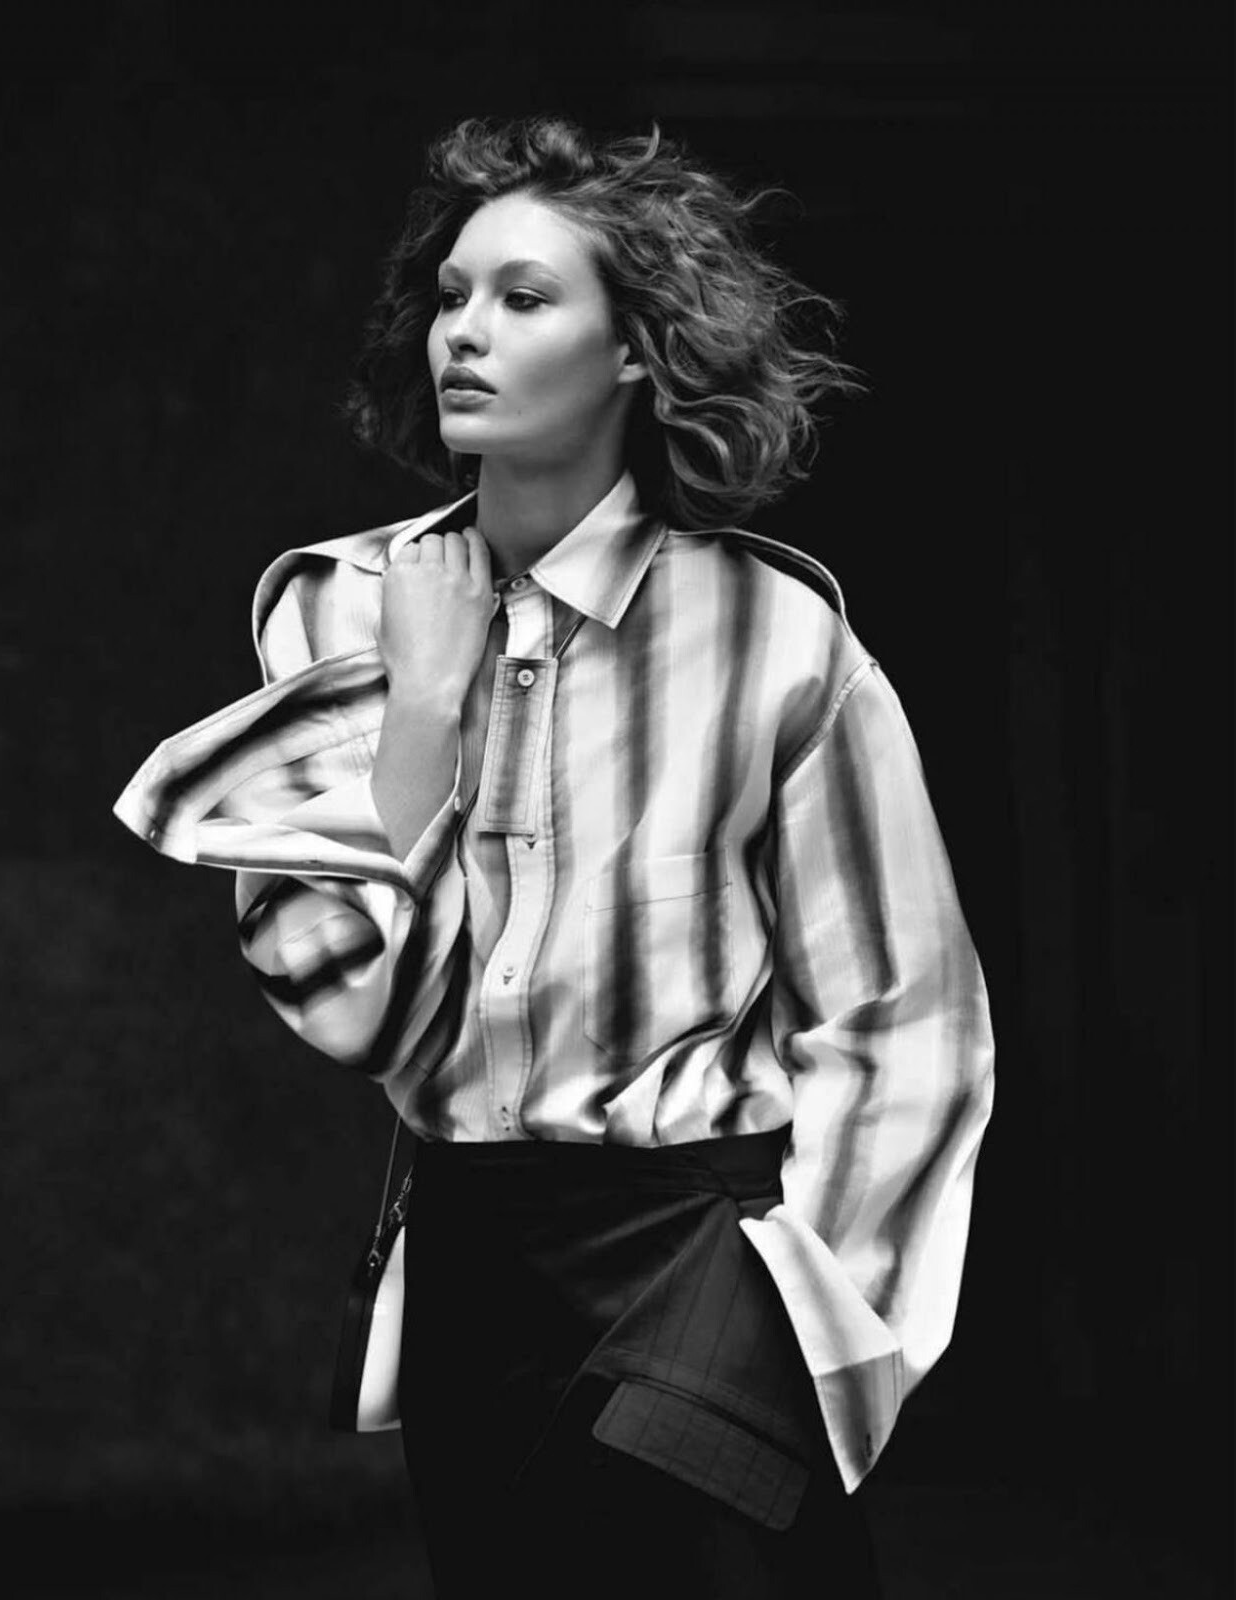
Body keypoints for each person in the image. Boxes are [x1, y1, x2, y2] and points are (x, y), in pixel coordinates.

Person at [115, 113, 994, 1598]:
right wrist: (422, 703)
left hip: (702, 1253)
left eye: (524, 298)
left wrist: (816, 1326)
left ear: (635, 348)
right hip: (472, 1262)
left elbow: (906, 1020)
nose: (463, 331)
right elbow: (350, 1006)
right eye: (450, 294)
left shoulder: (777, 638)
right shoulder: (338, 610)